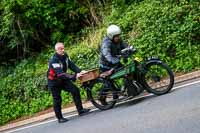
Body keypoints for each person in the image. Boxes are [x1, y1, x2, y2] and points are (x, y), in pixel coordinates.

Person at [47, 42, 90, 123]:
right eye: (61, 49)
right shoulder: (54, 60)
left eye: (63, 48)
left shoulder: (65, 56)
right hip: (54, 81)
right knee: (57, 99)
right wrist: (74, 76)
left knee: (75, 90)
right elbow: (60, 73)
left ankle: (80, 110)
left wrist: (80, 71)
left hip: (63, 79)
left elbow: (71, 65)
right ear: (56, 50)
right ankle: (60, 118)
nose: (63, 50)